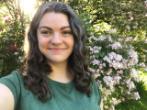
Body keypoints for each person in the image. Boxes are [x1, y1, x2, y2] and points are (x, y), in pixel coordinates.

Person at [0, 1, 101, 110]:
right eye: (46, 32)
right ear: (35, 37)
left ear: (76, 37)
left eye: (66, 32)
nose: (56, 41)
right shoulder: (16, 86)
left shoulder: (90, 85)